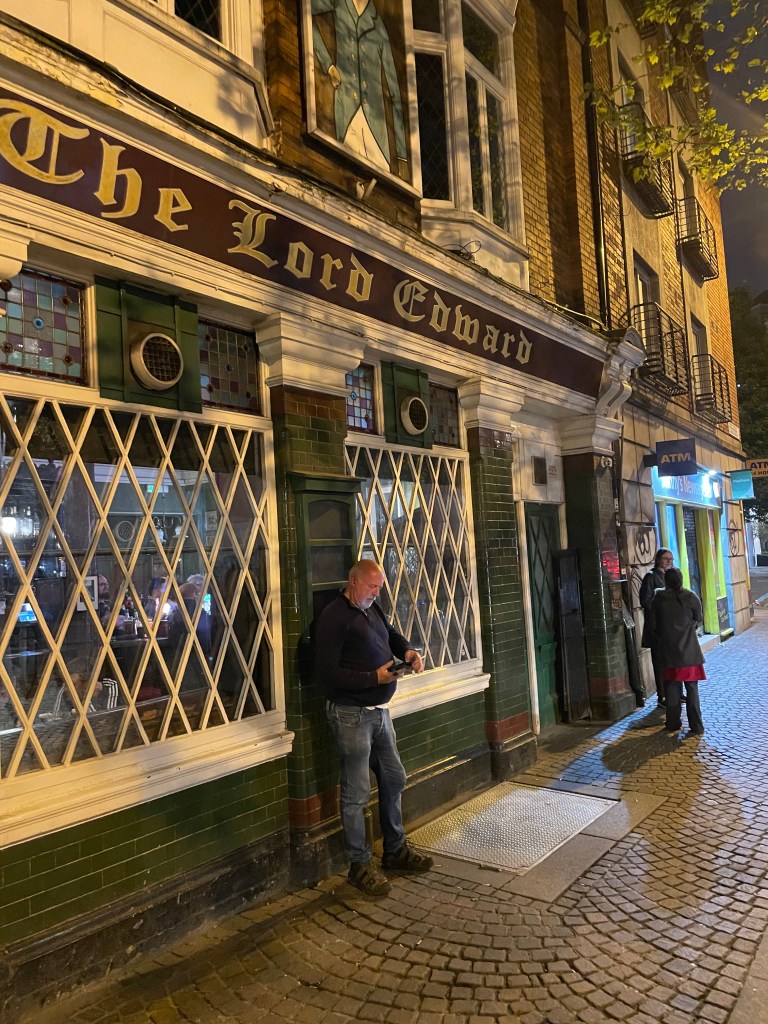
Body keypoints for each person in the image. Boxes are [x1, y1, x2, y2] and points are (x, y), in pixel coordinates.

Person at [314, 559, 433, 896]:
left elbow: (390, 634)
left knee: (394, 777)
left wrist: (407, 651)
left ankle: (394, 850)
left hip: (379, 712)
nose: (377, 592)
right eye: (372, 586)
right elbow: (327, 673)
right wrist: (373, 678)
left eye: (380, 587)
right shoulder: (334, 617)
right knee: (356, 792)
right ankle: (359, 864)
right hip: (350, 714)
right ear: (353, 581)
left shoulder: (371, 608)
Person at [653, 567, 706, 737]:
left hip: (669, 651)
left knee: (671, 688)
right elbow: (699, 617)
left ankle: (673, 722)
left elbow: (654, 622)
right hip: (689, 651)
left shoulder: (659, 599)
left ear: (665, 581)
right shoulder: (690, 596)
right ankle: (696, 725)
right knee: (692, 689)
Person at [639, 548, 674, 707]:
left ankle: (675, 692)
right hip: (656, 628)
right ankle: (662, 696)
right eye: (666, 558)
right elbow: (645, 601)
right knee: (659, 662)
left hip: (669, 627)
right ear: (658, 559)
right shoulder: (651, 577)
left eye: (671, 559)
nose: (668, 561)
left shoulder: (671, 576)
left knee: (672, 661)